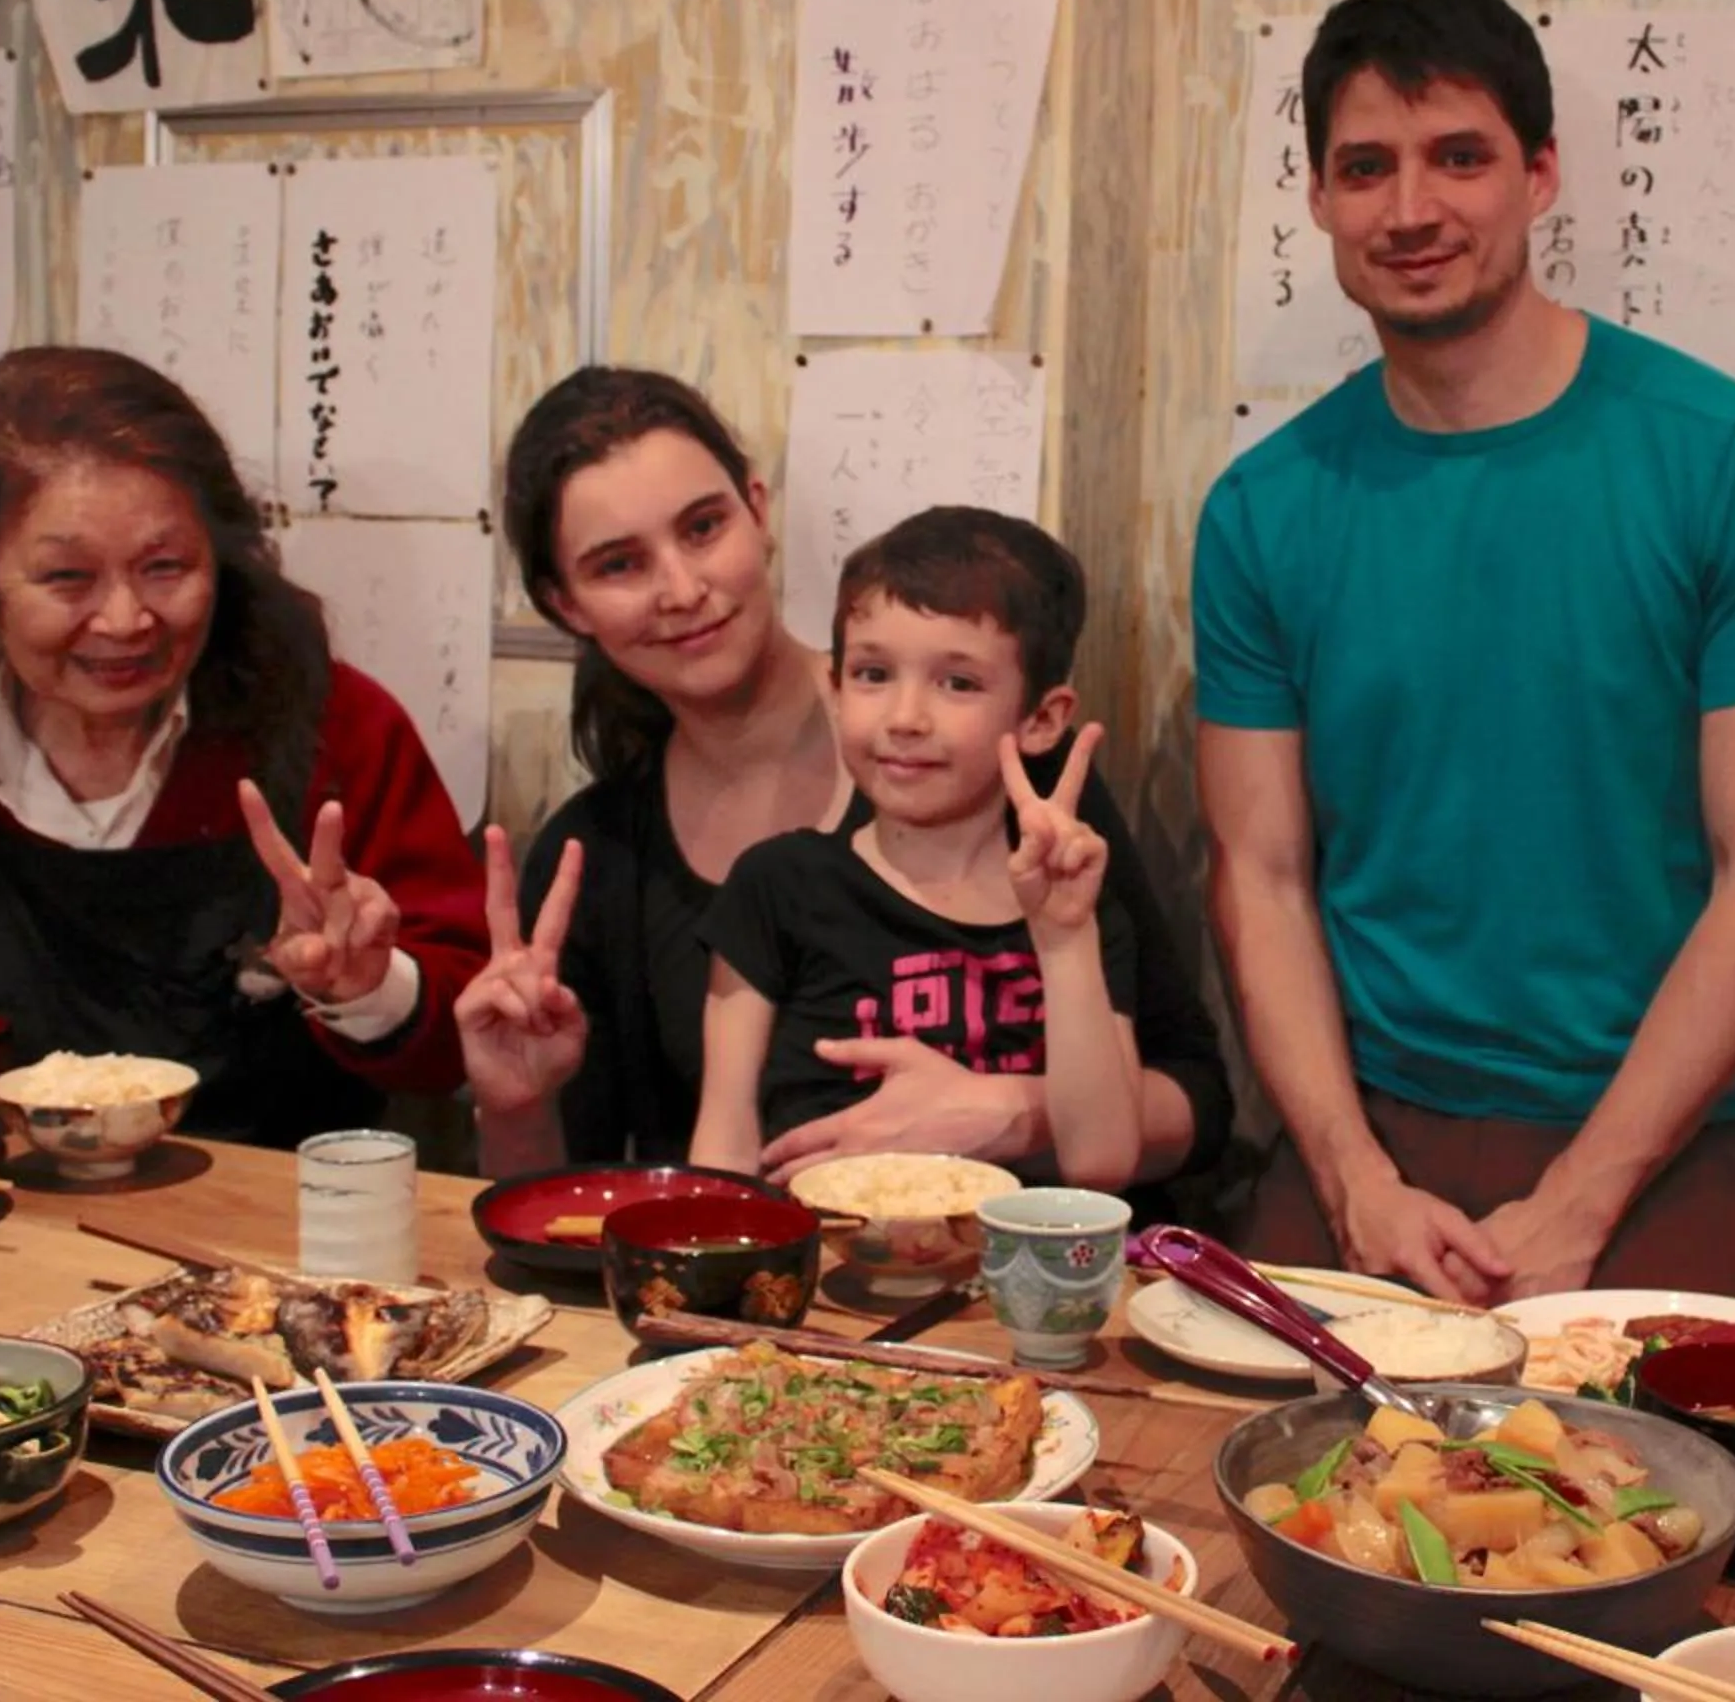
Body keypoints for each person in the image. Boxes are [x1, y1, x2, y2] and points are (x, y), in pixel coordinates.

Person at [1194, 0, 1735, 1306]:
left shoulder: (1731, 461)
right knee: (1247, 1474)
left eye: (1460, 157)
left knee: (1644, 1491)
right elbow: (1260, 874)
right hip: (1372, 1124)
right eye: (1365, 167)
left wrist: (1580, 1200)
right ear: (1320, 198)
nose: (1410, 210)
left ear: (1541, 173)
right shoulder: (1265, 509)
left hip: (1666, 1134)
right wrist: (1349, 1176)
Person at [455, 367, 1233, 1192]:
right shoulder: (598, 855)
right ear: (565, 604)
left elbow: (1198, 1097)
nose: (682, 590)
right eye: (618, 564)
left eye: (704, 527)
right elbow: (563, 1200)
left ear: (758, 512)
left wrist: (1012, 1111)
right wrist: (512, 1103)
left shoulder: (999, 771)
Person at [0, 348, 488, 1146]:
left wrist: (365, 989)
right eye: (67, 578)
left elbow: (463, 1042)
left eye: (165, 567)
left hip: (279, 1246)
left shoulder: (337, 734)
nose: (124, 620)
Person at [687, 509, 1147, 1191]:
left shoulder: (1075, 904)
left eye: (957, 683)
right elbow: (724, 1138)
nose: (905, 719)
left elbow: (1102, 1160)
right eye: (873, 674)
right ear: (835, 688)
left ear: (1042, 719)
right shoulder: (778, 883)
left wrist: (1063, 936)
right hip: (816, 1269)